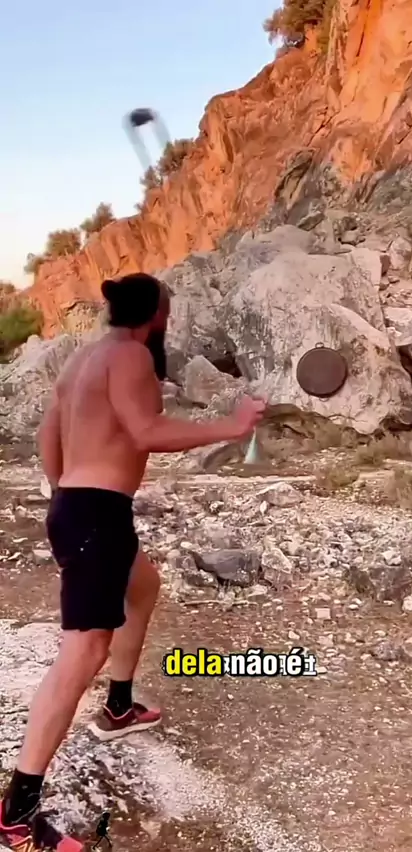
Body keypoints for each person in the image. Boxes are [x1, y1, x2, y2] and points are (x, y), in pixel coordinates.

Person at [0, 272, 266, 852]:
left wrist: (65, 493)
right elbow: (147, 431)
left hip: (80, 508)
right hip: (95, 514)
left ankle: (118, 707)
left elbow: (48, 433)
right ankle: (15, 816)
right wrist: (234, 425)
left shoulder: (82, 361)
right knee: (82, 653)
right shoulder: (132, 357)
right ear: (158, 316)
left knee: (142, 586)